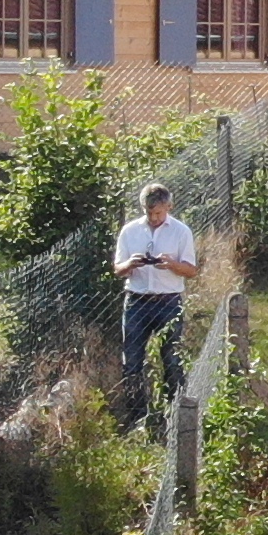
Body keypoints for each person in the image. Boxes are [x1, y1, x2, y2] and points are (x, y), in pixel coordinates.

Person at [113, 180, 201, 422]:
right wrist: (130, 264)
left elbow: (191, 270)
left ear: (169, 207)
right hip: (136, 301)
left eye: (158, 213)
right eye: (149, 213)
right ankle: (137, 417)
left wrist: (171, 265)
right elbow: (118, 269)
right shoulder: (129, 231)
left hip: (168, 302)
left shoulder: (181, 231)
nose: (153, 218)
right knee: (132, 361)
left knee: (172, 360)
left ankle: (176, 413)